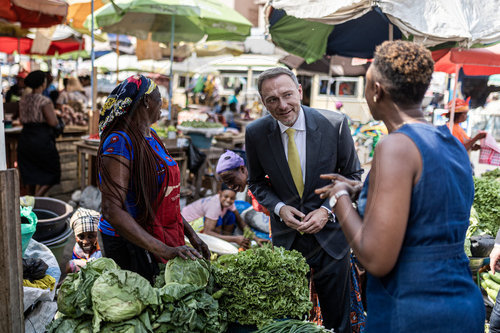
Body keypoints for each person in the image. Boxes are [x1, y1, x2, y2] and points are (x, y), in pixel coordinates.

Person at [316, 41, 485, 332]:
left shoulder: (394, 146)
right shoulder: (452, 143)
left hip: (413, 309)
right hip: (462, 304)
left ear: (376, 89)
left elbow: (376, 259)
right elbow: (429, 200)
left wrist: (339, 197)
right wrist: (363, 190)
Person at [245, 67, 362, 332]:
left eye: (287, 95)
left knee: (338, 321)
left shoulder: (335, 123)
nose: (282, 105)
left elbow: (353, 175)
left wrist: (326, 210)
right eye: (272, 100)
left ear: (300, 91)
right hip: (288, 239)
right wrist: (279, 208)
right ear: (263, 102)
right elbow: (255, 182)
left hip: (332, 238)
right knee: (290, 321)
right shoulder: (255, 133)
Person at [97, 74, 210, 283]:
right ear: (147, 101)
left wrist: (191, 235)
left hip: (151, 236)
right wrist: (164, 249)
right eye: (161, 99)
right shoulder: (119, 141)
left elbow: (165, 198)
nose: (163, 105)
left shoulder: (151, 136)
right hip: (128, 243)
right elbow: (111, 210)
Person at [17, 70, 62, 196]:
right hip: (41, 139)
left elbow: (21, 120)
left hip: (25, 139)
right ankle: (38, 198)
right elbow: (53, 122)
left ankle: (31, 205)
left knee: (30, 175)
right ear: (43, 83)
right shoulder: (44, 101)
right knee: (53, 172)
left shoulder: (23, 100)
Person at [181, 185, 261, 249]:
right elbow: (207, 232)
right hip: (187, 226)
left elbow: (240, 221)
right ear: (220, 193)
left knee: (231, 216)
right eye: (226, 196)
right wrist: (235, 239)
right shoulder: (214, 205)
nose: (228, 200)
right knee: (217, 219)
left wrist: (255, 238)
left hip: (201, 223)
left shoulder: (229, 203)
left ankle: (225, 240)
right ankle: (220, 242)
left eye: (232, 198)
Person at [67, 208, 102, 273]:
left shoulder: (99, 252)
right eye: (81, 236)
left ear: (97, 235)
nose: (85, 242)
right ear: (75, 236)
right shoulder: (77, 249)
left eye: (91, 236)